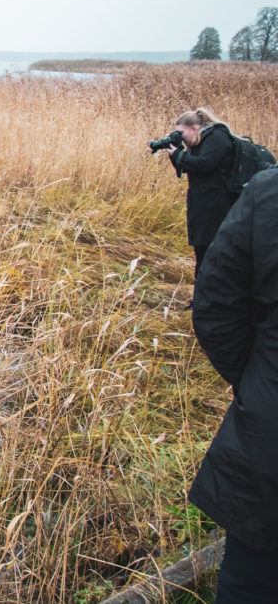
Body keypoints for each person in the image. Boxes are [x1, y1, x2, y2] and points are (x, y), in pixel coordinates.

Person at [189, 167, 278, 601]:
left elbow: (215, 307)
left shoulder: (269, 191)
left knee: (251, 581)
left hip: (270, 433)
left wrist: (258, 382)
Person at [160, 107, 238, 279]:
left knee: (211, 247)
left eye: (181, 133)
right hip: (203, 202)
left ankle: (209, 288)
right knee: (201, 247)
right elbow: (188, 167)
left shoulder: (217, 137)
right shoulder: (200, 140)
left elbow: (204, 164)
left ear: (194, 128)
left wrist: (179, 154)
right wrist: (175, 154)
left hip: (218, 204)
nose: (180, 137)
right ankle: (202, 289)